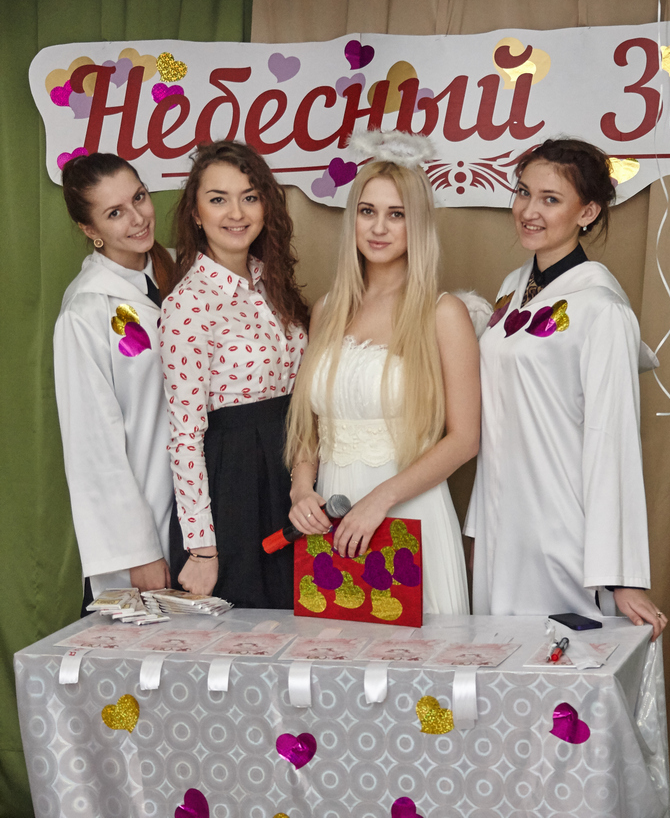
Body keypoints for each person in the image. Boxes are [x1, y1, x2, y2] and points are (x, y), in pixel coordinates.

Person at [465, 137, 667, 639]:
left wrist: (620, 576)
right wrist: (478, 529)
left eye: (550, 199)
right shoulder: (512, 288)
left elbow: (612, 440)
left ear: (587, 212)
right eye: (523, 192)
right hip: (502, 527)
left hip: (561, 529)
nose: (529, 211)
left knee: (558, 672)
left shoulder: (602, 309)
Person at [285, 131, 481, 615]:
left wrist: (380, 500)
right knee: (336, 655)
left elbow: (464, 440)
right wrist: (302, 488)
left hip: (408, 511)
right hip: (334, 517)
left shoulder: (442, 313)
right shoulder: (328, 309)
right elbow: (310, 425)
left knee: (418, 658)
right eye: (367, 211)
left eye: (397, 214)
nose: (379, 227)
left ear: (418, 224)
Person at [160, 141, 308, 607]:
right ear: (196, 213)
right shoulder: (187, 304)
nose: (236, 213)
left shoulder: (271, 283)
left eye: (249, 197)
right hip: (235, 480)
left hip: (290, 470)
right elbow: (185, 435)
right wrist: (202, 548)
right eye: (218, 199)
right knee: (248, 628)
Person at [54, 152, 176, 604]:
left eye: (138, 198)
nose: (138, 218)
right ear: (90, 230)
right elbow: (93, 446)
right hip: (149, 519)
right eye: (114, 213)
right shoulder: (87, 310)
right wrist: (137, 550)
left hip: (204, 507)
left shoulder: (182, 271)